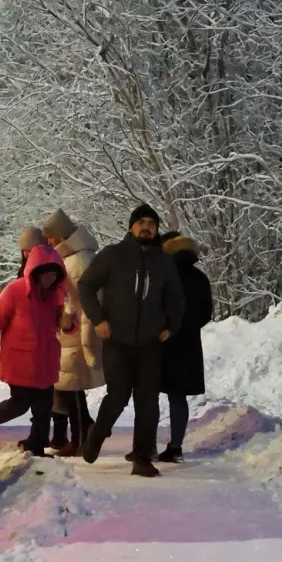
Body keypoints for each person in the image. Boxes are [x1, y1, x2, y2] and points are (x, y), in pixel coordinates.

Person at [78, 203, 184, 477]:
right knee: (118, 396)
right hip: (118, 340)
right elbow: (86, 286)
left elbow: (175, 297)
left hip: (150, 343)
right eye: (141, 222)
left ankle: (141, 458)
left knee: (148, 402)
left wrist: (171, 326)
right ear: (131, 227)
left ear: (157, 229)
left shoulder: (164, 262)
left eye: (151, 223)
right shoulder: (113, 255)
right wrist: (98, 320)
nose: (146, 226)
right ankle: (96, 435)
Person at [0, 241, 75, 453]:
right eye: (46, 273)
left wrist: (69, 325)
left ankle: (36, 445)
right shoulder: (15, 291)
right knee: (19, 405)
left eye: (54, 274)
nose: (50, 278)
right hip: (20, 361)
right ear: (35, 271)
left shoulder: (55, 296)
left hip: (45, 360)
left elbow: (62, 325)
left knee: (44, 408)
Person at [40, 209, 102, 453]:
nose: (49, 242)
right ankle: (85, 430)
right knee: (68, 386)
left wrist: (67, 320)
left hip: (75, 330)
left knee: (71, 387)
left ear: (61, 235)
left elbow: (78, 298)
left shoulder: (76, 260)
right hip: (73, 330)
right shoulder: (76, 256)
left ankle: (79, 440)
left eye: (51, 237)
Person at [157, 233, 213, 462]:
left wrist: (165, 329)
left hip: (162, 342)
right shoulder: (200, 278)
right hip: (188, 343)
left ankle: (145, 446)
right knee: (177, 398)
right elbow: (205, 313)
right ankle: (176, 445)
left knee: (149, 395)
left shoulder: (164, 276)